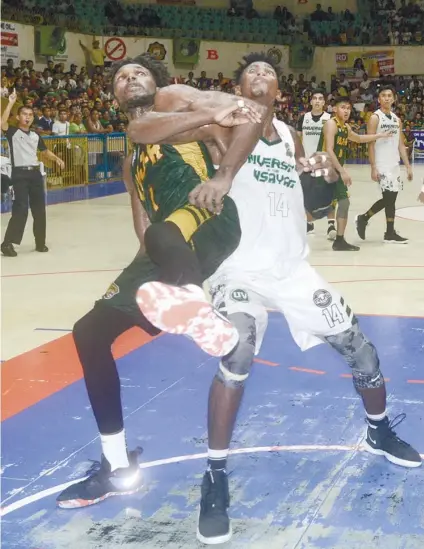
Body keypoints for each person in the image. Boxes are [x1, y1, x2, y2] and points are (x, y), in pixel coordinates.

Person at [128, 53, 422, 545]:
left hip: (292, 267)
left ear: (280, 90)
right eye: (253, 71)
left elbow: (292, 195)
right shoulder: (221, 124)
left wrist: (320, 180)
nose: (262, 75)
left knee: (362, 350)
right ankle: (215, 476)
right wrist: (211, 154)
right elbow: (148, 128)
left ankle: (379, 429)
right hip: (238, 266)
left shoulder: (286, 135)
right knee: (236, 352)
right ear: (237, 86)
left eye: (270, 72)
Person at [54, 53, 286, 508]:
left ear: (158, 81)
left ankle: (192, 298)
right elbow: (143, 228)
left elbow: (252, 114)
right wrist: (141, 285)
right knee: (89, 333)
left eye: (137, 71)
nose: (129, 78)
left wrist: (223, 175)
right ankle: (117, 464)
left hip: (210, 217)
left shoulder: (177, 104)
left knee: (166, 232)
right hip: (167, 244)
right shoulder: (131, 155)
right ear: (114, 94)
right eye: (120, 76)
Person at [317, 96, 391, 251]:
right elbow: (329, 150)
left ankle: (339, 240)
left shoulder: (345, 127)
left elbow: (358, 138)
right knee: (326, 204)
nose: (346, 111)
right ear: (335, 109)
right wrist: (342, 171)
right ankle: (338, 239)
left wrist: (379, 135)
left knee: (341, 202)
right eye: (343, 107)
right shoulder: (331, 124)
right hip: (326, 168)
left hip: (333, 170)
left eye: (348, 108)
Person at [1, 89, 64, 257]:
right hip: (20, 174)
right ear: (18, 117)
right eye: (24, 114)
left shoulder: (36, 135)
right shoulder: (13, 132)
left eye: (30, 115)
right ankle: (7, 244)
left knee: (39, 210)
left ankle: (40, 242)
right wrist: (11, 102)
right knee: (20, 209)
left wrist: (57, 158)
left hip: (35, 174)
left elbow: (44, 151)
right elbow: (2, 123)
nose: (28, 117)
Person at [355, 85, 413, 244]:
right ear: (379, 99)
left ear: (394, 99)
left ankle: (374, 224)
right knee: (389, 198)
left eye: (389, 95)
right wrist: (373, 167)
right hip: (381, 164)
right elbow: (371, 143)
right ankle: (377, 225)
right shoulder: (375, 117)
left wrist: (407, 165)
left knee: (391, 199)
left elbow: (401, 144)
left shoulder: (397, 119)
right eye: (383, 95)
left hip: (394, 164)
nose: (387, 98)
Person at [296, 89, 335, 238]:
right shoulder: (303, 118)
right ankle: (309, 223)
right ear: (311, 101)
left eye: (320, 99)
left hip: (324, 163)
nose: (317, 101)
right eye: (315, 98)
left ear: (324, 102)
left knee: (329, 194)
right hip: (307, 162)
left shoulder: (329, 118)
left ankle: (331, 225)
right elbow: (298, 140)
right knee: (305, 195)